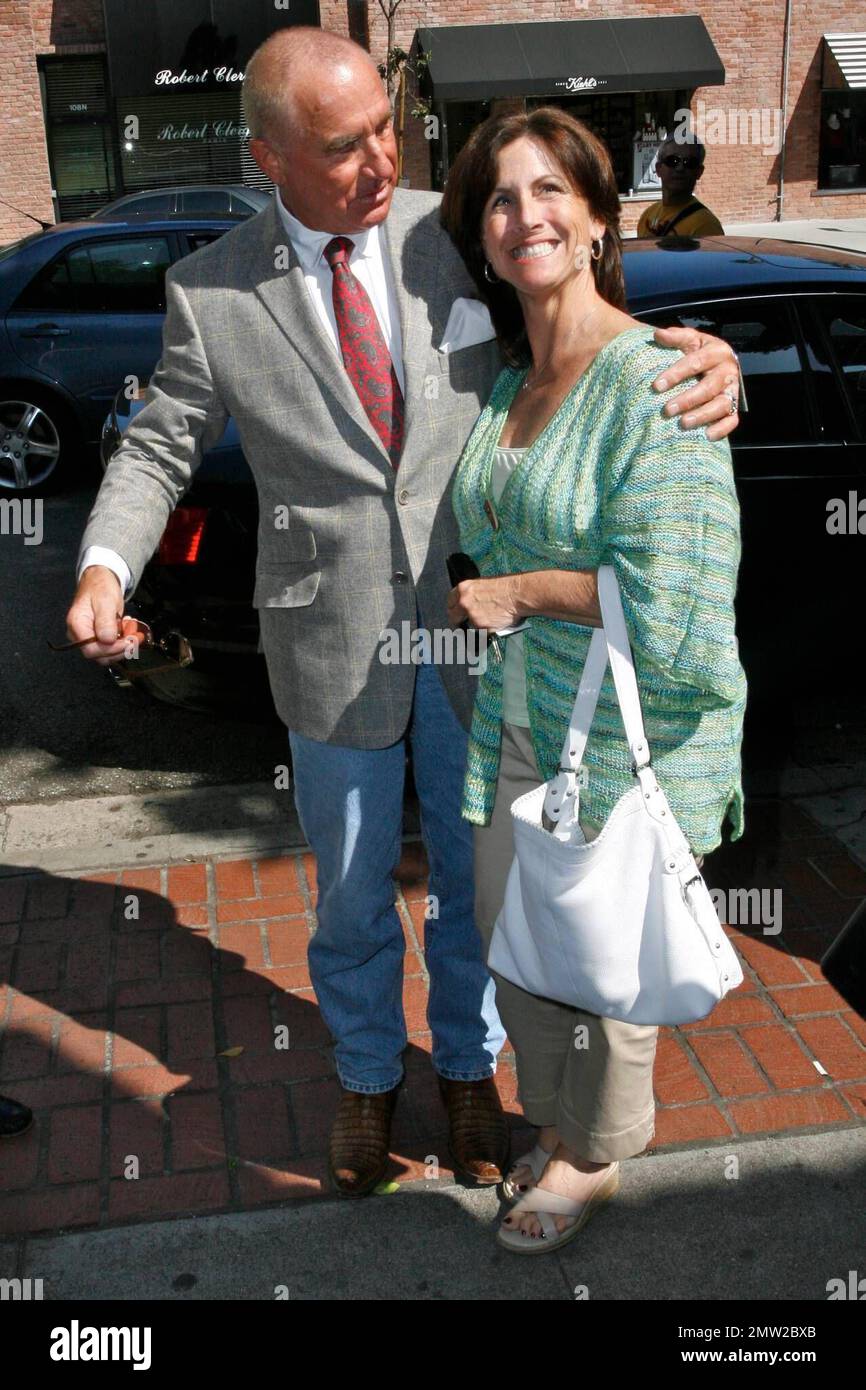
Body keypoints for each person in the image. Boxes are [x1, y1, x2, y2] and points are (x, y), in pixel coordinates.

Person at [65, 29, 742, 1200]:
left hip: (483, 632)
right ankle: (369, 1075)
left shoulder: (456, 227)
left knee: (481, 882)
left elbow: (579, 308)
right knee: (348, 889)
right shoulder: (213, 287)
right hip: (328, 645)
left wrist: (710, 361)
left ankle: (470, 1066)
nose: (382, 158)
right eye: (344, 146)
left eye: (387, 124)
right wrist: (103, 567)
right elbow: (161, 439)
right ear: (271, 158)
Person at [442, 107, 745, 1252]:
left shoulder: (660, 380)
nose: (525, 215)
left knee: (605, 958)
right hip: (515, 722)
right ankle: (558, 1118)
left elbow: (671, 607)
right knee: (516, 938)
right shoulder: (507, 381)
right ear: (481, 237)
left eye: (548, 192)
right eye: (500, 200)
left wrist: (518, 593)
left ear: (598, 217)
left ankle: (593, 1153)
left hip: (629, 732)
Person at [636, 136, 724, 238]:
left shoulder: (706, 225)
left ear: (699, 172)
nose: (680, 168)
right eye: (672, 161)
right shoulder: (647, 216)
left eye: (689, 162)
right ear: (658, 169)